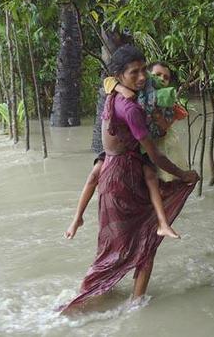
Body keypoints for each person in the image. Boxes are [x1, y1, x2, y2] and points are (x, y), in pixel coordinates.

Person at [60, 45, 199, 314]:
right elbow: (155, 155)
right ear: (120, 75)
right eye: (134, 73)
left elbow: (110, 84)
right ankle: (96, 303)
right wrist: (184, 175)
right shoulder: (132, 108)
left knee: (114, 245)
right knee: (136, 240)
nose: (142, 77)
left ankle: (99, 300)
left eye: (142, 70)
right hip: (124, 176)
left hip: (116, 173)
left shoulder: (119, 96)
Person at [66, 62, 187, 240]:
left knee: (151, 177)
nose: (161, 79)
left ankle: (162, 222)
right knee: (93, 175)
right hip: (119, 147)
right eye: (158, 75)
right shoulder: (134, 88)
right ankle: (77, 218)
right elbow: (108, 82)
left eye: (166, 77)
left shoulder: (166, 103)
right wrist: (122, 90)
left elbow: (164, 129)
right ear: (148, 75)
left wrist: (157, 114)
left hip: (142, 147)